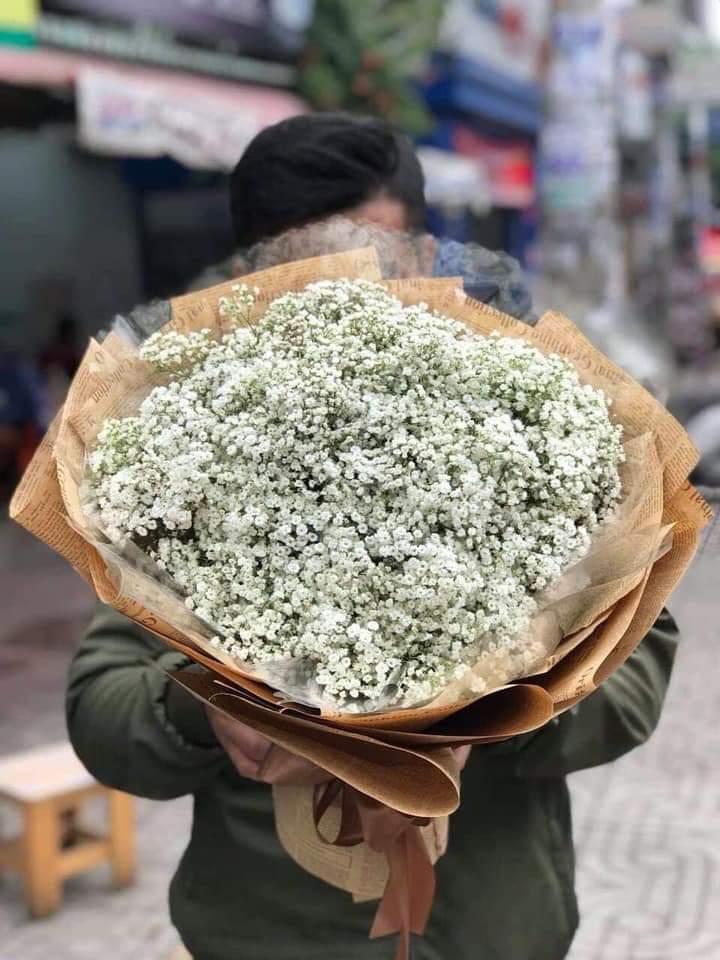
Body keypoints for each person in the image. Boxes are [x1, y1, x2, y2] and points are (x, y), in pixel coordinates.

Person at [66, 113, 679, 960]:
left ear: (424, 254)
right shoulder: (175, 458)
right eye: (302, 271)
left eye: (371, 258)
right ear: (247, 273)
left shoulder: (531, 413)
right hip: (267, 936)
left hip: (493, 930)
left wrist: (500, 706)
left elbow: (636, 673)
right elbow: (101, 711)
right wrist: (205, 712)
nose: (345, 291)